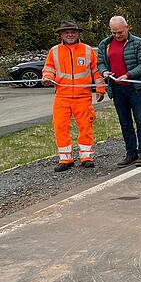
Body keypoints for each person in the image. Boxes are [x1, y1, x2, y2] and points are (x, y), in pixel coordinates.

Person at [42, 21, 106, 172]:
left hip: (83, 96)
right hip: (62, 96)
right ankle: (65, 159)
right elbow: (49, 69)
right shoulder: (54, 51)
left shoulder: (88, 50)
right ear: (61, 35)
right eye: (66, 32)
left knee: (85, 126)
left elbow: (96, 72)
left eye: (72, 32)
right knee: (60, 126)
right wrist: (47, 77)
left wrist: (100, 89)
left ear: (78, 34)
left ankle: (86, 157)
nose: (70, 34)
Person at [97, 16, 141, 168]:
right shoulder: (105, 44)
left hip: (135, 88)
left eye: (120, 32)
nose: (117, 35)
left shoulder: (138, 43)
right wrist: (105, 72)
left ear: (127, 28)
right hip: (117, 88)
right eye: (114, 32)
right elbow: (100, 62)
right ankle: (131, 153)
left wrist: (128, 75)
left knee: (140, 120)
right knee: (125, 122)